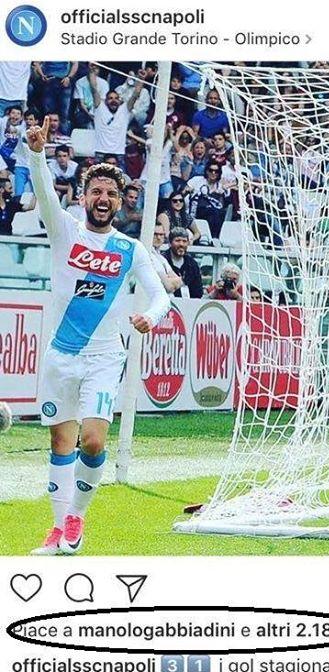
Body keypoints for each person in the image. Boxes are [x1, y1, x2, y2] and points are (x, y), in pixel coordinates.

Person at [27, 117, 170, 556]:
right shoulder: (65, 230)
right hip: (61, 354)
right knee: (60, 443)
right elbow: (45, 192)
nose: (103, 199)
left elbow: (160, 296)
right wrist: (36, 154)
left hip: (106, 356)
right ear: (83, 196)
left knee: (92, 440)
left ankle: (77, 515)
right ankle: (57, 530)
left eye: (110, 193)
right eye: (96, 192)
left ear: (119, 201)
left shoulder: (130, 248)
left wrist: (150, 317)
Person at [89, 69, 146, 169]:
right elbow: (94, 89)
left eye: (116, 98)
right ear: (105, 101)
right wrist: (92, 71)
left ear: (120, 100)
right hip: (101, 153)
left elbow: (136, 94)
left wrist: (141, 79)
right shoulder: (99, 109)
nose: (113, 101)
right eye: (110, 98)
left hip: (119, 154)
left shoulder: (125, 110)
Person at [34, 62, 78, 134]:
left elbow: (75, 63)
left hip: (64, 81)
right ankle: (47, 136)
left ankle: (64, 136)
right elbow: (37, 62)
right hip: (49, 81)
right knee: (48, 114)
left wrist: (69, 77)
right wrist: (42, 75)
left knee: (64, 114)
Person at [162, 226, 203, 298]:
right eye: (177, 241)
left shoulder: (192, 264)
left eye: (184, 241)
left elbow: (198, 292)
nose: (181, 244)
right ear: (170, 243)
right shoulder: (162, 261)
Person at [73, 63, 109, 129]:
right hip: (84, 111)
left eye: (96, 68)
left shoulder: (104, 83)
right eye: (91, 67)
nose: (93, 69)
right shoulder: (79, 82)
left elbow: (102, 102)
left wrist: (93, 86)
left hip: (98, 111)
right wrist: (90, 115)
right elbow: (81, 103)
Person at [151, 222, 184, 294]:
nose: (158, 237)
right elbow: (169, 287)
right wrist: (171, 280)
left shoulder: (162, 258)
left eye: (161, 234)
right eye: (155, 234)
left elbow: (180, 282)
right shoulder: (148, 256)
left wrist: (170, 280)